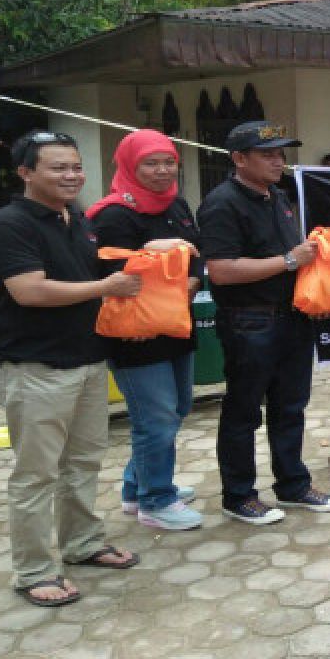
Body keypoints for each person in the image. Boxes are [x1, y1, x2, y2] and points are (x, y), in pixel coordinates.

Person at [0, 131, 141, 607]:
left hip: (88, 362)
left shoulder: (78, 219)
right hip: (35, 367)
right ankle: (33, 570)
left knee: (83, 463)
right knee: (36, 474)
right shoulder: (10, 223)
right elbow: (29, 291)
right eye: (58, 167)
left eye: (75, 166)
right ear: (26, 173)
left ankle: (83, 543)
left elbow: (91, 276)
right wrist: (108, 287)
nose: (71, 175)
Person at [197, 121, 330, 525]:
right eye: (268, 154)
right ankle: (239, 495)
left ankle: (293, 486)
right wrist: (289, 261)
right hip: (249, 322)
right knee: (243, 412)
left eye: (281, 153)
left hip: (292, 319)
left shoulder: (278, 197)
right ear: (239, 159)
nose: (278, 161)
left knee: (290, 406)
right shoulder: (221, 203)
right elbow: (222, 270)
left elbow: (296, 257)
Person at [87, 130, 203, 530]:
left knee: (177, 409)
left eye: (167, 162)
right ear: (129, 166)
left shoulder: (178, 204)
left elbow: (196, 256)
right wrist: (161, 256)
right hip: (135, 332)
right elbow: (113, 272)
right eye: (149, 164)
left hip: (175, 324)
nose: (161, 171)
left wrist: (193, 282)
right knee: (155, 419)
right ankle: (157, 501)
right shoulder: (114, 214)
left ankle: (136, 488)